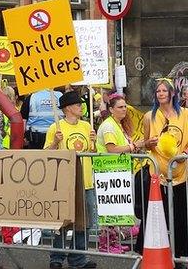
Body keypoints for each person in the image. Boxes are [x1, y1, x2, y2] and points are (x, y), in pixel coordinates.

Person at [137, 78, 188, 265]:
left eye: (164, 91)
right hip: (157, 173)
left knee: (180, 218)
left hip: (180, 174)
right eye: (158, 91)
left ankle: (180, 256)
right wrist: (149, 144)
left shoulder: (185, 115)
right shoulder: (149, 117)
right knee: (157, 215)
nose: (160, 94)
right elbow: (146, 144)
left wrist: (184, 153)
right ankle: (149, 254)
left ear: (172, 93)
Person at [44, 91, 97, 269]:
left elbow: (93, 153)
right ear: (67, 108)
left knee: (84, 223)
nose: (81, 107)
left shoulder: (86, 126)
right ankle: (56, 258)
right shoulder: (56, 128)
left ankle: (78, 259)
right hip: (64, 183)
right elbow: (45, 154)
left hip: (86, 181)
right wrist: (54, 142)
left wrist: (94, 143)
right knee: (62, 222)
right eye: (77, 105)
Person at [95, 93, 144, 254]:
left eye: (125, 106)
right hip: (108, 171)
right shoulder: (109, 126)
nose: (124, 110)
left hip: (116, 171)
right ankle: (105, 243)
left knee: (114, 208)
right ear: (111, 109)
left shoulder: (118, 124)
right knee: (109, 209)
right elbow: (111, 148)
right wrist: (133, 146)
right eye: (120, 107)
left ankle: (113, 241)